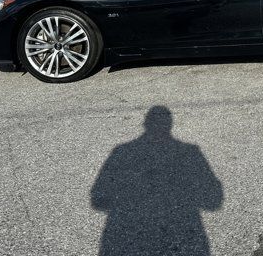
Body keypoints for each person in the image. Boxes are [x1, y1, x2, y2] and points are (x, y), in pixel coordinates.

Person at [91, 106, 224, 255]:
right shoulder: (191, 151)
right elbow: (213, 202)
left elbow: (98, 201)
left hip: (126, 238)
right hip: (183, 232)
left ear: (145, 124)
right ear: (170, 124)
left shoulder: (121, 151)